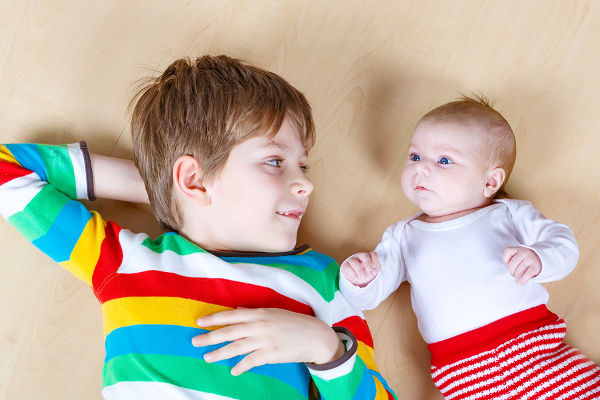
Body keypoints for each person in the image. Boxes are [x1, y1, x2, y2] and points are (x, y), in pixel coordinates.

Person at [0, 55, 396, 400]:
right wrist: (161, 190)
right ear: (193, 179)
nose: (306, 184)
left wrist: (324, 347)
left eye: (303, 165)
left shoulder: (323, 281)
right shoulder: (126, 262)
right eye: (276, 161)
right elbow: (6, 169)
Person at [339, 96, 600, 399]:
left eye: (444, 160)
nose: (421, 169)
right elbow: (369, 295)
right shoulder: (403, 236)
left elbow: (564, 244)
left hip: (537, 350)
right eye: (414, 157)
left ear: (490, 181)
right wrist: (359, 279)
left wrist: (539, 258)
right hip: (465, 374)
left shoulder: (508, 214)